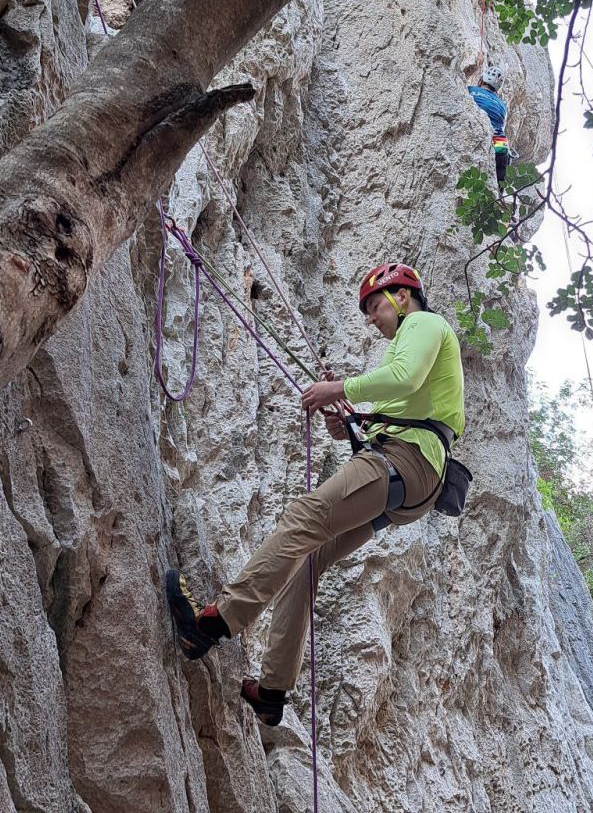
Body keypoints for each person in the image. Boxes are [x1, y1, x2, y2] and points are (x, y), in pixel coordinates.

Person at [166, 262, 465, 726]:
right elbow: (401, 407)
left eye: (375, 306)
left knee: (302, 518)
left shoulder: (424, 323)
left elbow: (404, 377)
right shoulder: (410, 348)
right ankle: (271, 692)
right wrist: (345, 424)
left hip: (404, 462)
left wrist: (337, 388)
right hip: (411, 481)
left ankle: (212, 622)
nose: (371, 318)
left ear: (403, 297)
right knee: (308, 559)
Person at [467, 63, 511, 188]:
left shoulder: (470, 90)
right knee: (500, 180)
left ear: (481, 80)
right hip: (499, 142)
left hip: (476, 132)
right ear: (496, 89)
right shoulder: (502, 106)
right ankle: (499, 191)